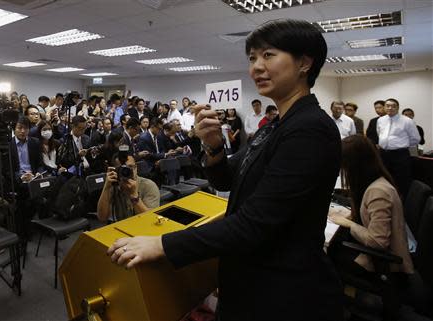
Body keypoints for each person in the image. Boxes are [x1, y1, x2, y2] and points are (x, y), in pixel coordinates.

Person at [107, 19, 343, 320]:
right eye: (252, 58)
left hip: (281, 293)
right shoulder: (275, 126)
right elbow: (228, 179)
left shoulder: (309, 129)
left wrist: (163, 244)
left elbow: (253, 224)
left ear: (304, 62)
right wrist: (214, 145)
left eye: (268, 55)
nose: (256, 66)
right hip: (251, 280)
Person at [328, 135, 413, 276]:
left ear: (355, 165)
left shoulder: (378, 191)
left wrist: (349, 224)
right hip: (377, 255)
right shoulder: (376, 182)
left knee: (328, 254)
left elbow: (378, 242)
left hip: (384, 264)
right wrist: (349, 217)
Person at [377, 98, 420, 199]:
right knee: (384, 179)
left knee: (401, 181)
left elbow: (415, 139)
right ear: (384, 107)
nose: (390, 108)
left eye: (393, 106)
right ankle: (385, 200)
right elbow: (380, 134)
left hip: (400, 155)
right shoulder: (380, 120)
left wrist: (401, 144)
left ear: (398, 108)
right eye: (387, 105)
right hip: (383, 154)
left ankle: (402, 205)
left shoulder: (407, 121)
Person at [97, 153, 160, 222]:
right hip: (123, 228)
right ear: (115, 170)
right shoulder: (113, 186)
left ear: (136, 167)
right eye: (122, 168)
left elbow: (150, 219)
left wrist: (134, 195)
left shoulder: (149, 186)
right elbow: (102, 218)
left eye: (130, 167)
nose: (127, 171)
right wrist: (106, 187)